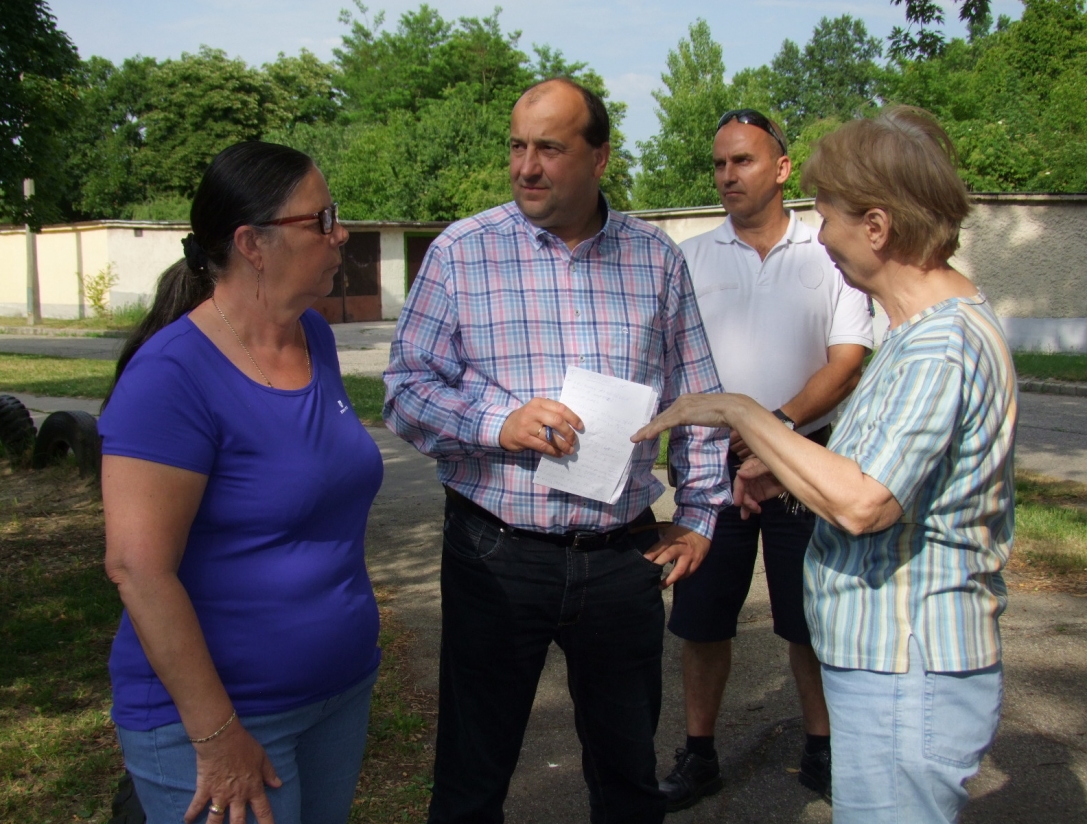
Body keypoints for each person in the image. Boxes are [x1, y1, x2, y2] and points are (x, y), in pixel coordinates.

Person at [632, 106, 1015, 824]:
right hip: (892, 661)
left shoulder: (940, 345)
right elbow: (886, 470)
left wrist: (742, 413)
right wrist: (784, 465)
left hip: (907, 663)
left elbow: (866, 502)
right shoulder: (918, 333)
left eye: (831, 216)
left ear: (877, 227)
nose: (825, 235)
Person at [383, 77, 729, 824]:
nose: (526, 167)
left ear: (599, 157)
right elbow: (404, 392)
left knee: (628, 779)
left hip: (622, 555)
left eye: (549, 148)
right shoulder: (462, 253)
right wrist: (495, 423)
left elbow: (699, 397)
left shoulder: (655, 259)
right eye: (517, 146)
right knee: (471, 781)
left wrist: (701, 513)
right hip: (495, 552)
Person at [100, 142, 383, 824]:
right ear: (252, 244)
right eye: (321, 219)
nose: (340, 233)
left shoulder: (313, 337)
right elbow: (137, 569)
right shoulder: (171, 376)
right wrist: (217, 734)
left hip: (337, 694)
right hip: (223, 719)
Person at [658, 109, 873, 810]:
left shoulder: (828, 251)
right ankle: (699, 755)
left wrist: (774, 431)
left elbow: (847, 362)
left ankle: (822, 749)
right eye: (719, 164)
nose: (727, 176)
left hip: (804, 463)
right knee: (702, 619)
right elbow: (666, 359)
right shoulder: (689, 257)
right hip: (710, 468)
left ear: (782, 168)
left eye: (743, 161)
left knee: (810, 620)